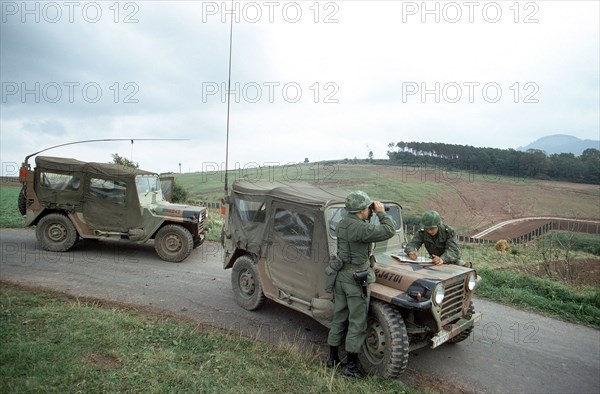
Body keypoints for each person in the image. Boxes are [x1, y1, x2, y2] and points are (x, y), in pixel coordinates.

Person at [326, 190, 396, 378]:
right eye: (367, 208)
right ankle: (350, 368)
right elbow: (389, 230)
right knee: (357, 323)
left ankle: (331, 359)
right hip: (356, 279)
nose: (369, 211)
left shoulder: (342, 223)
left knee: (339, 318)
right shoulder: (361, 228)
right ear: (360, 210)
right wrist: (381, 212)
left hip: (340, 276)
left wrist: (369, 211)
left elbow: (360, 226)